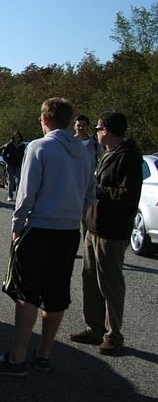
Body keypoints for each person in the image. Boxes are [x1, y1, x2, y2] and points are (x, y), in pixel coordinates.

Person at [0, 98, 95, 376]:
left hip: (40, 229)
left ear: (45, 119)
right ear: (68, 121)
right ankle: (44, 353)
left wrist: (17, 224)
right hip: (69, 231)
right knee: (56, 292)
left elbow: (26, 191)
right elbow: (91, 194)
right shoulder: (84, 151)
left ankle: (17, 357)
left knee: (27, 293)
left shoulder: (39, 146)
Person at [69, 111, 142, 355]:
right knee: (89, 279)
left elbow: (128, 196)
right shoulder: (108, 154)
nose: (96, 132)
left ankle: (114, 335)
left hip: (111, 231)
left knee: (110, 284)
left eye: (98, 128)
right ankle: (94, 328)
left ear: (106, 131)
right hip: (93, 227)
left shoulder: (128, 157)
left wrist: (98, 189)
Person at [74, 114, 104, 243]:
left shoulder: (95, 143)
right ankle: (72, 246)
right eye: (78, 125)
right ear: (74, 126)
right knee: (73, 217)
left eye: (83, 125)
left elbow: (103, 159)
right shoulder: (70, 142)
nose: (81, 128)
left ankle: (87, 245)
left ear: (87, 126)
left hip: (89, 184)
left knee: (87, 217)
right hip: (72, 183)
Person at [1, 131, 26, 203]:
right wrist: (8, 162)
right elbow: (4, 155)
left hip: (19, 165)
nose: (17, 138)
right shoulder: (9, 145)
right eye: (15, 136)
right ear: (13, 137)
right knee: (11, 181)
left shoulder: (22, 146)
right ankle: (10, 195)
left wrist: (23, 162)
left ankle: (18, 196)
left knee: (18, 181)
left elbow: (25, 155)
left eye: (18, 136)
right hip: (10, 165)